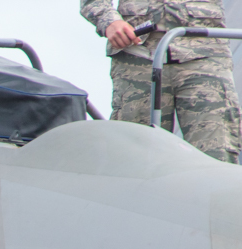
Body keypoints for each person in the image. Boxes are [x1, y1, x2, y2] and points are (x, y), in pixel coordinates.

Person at [80, 2, 240, 163]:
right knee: (134, 159)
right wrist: (110, 21)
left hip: (205, 52)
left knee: (217, 155)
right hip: (138, 55)